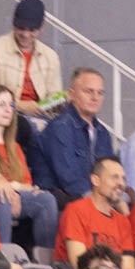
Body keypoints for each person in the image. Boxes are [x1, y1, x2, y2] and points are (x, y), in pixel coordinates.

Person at [0, 84, 60, 260]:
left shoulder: (15, 147)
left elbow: (27, 184)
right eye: (0, 104)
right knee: (3, 195)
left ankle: (46, 261)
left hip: (17, 196)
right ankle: (1, 257)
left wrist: (15, 188)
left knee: (47, 199)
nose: (7, 110)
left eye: (11, 105)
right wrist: (13, 188)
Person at [55, 158, 135, 269]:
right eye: (114, 177)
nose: (121, 183)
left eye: (123, 179)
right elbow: (79, 263)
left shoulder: (123, 222)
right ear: (95, 180)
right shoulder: (76, 210)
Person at [35, 68, 115, 202]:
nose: (95, 98)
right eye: (88, 91)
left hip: (93, 199)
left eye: (100, 93)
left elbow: (109, 173)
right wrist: (101, 202)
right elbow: (70, 180)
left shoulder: (102, 132)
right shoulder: (60, 127)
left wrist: (115, 198)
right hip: (63, 201)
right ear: (71, 94)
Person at [0, 0, 63, 121]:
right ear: (13, 22)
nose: (25, 34)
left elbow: (55, 95)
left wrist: (60, 101)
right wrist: (20, 106)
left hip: (42, 117)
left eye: (32, 30)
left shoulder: (50, 56)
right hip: (4, 116)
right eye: (21, 28)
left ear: (41, 26)